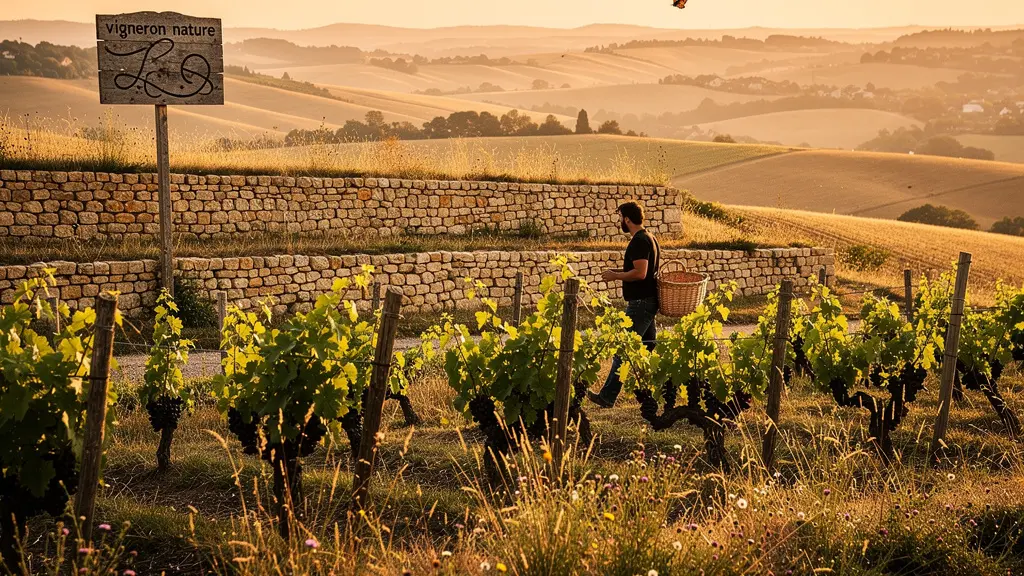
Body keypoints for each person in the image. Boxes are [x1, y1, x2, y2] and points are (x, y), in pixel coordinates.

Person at [588, 201, 660, 408]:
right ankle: (649, 397)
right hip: (648, 302)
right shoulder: (651, 238)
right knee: (646, 351)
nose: (620, 221)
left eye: (620, 217)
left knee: (624, 349)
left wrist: (614, 276)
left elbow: (640, 273)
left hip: (640, 304)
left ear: (627, 219)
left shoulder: (639, 241)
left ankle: (607, 396)